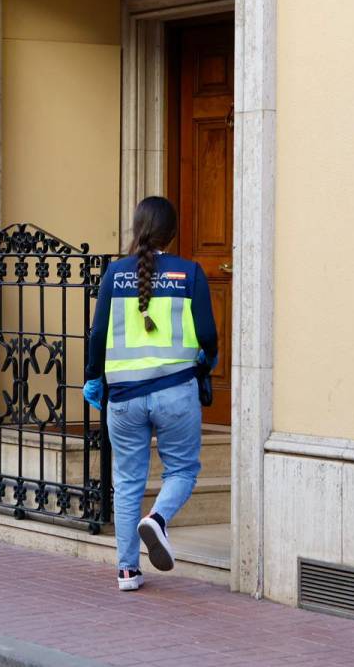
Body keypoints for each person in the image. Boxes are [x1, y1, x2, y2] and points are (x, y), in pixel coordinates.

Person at [83, 196, 218, 591]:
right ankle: (157, 519)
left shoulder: (114, 274)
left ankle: (127, 571)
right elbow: (208, 334)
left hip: (123, 398)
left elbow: (98, 334)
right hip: (176, 392)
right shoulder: (189, 273)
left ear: (136, 228)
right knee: (182, 470)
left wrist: (94, 378)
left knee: (127, 482)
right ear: (172, 233)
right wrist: (206, 360)